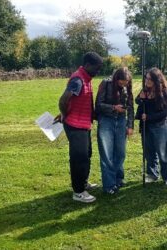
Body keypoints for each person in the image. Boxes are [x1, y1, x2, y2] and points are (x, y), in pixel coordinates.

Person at [55, 52, 103, 203]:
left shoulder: (86, 78)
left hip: (83, 124)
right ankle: (78, 192)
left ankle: (83, 183)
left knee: (86, 154)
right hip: (75, 126)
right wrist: (64, 115)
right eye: (96, 68)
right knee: (79, 158)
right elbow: (63, 100)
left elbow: (78, 101)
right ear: (87, 65)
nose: (98, 72)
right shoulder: (78, 79)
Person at [95, 67, 134, 194]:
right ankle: (109, 185)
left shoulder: (128, 86)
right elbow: (98, 105)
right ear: (116, 79)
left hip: (122, 121)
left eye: (125, 83)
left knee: (120, 153)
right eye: (121, 83)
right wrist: (114, 107)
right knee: (107, 154)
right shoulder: (105, 83)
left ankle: (118, 179)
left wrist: (130, 125)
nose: (123, 85)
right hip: (106, 121)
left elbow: (131, 107)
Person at [135, 67, 167, 185]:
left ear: (157, 80)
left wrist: (149, 117)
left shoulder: (163, 92)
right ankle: (152, 174)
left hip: (161, 126)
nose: (147, 81)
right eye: (146, 78)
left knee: (162, 152)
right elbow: (138, 100)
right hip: (146, 126)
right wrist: (141, 99)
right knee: (149, 151)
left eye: (150, 79)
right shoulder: (145, 90)